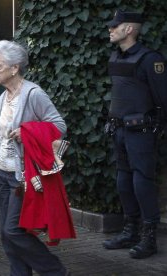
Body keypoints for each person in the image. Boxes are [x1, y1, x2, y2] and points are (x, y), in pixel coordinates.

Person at [0, 40, 70, 276]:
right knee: (7, 234)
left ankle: (56, 271)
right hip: (3, 173)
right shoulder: (3, 97)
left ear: (14, 68)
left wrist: (28, 131)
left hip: (23, 177)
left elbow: (59, 126)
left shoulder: (33, 94)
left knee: (14, 231)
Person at [102, 10, 167, 259]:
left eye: (115, 26)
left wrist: (156, 127)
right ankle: (130, 231)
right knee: (123, 180)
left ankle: (149, 238)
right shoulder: (115, 57)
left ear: (129, 29)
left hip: (141, 131)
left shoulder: (151, 59)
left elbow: (163, 97)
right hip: (118, 129)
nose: (110, 29)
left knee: (142, 181)